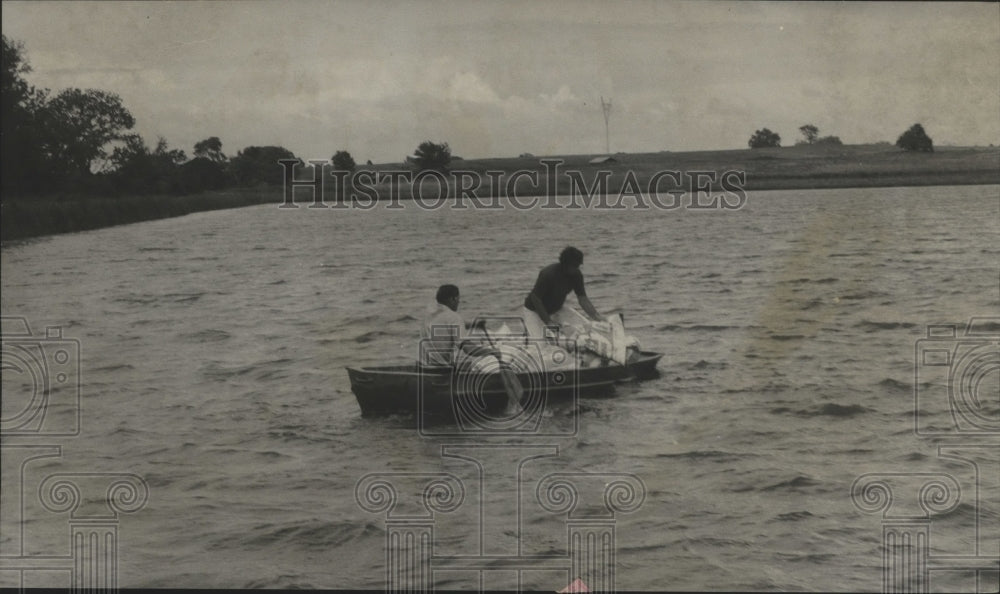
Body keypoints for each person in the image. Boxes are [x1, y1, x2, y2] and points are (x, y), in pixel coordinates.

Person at [522, 246, 604, 339]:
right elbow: (535, 298)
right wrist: (548, 322)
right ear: (565, 264)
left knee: (585, 329)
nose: (577, 268)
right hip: (534, 311)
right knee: (541, 344)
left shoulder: (577, 275)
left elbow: (582, 299)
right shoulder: (548, 274)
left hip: (557, 309)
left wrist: (597, 317)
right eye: (575, 266)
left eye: (578, 265)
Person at [420, 284, 495, 366]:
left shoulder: (428, 314)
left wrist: (474, 324)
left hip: (422, 366)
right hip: (441, 370)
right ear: (453, 299)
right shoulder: (454, 317)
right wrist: (490, 352)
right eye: (458, 299)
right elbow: (467, 348)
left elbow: (448, 325)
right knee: (472, 365)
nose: (459, 302)